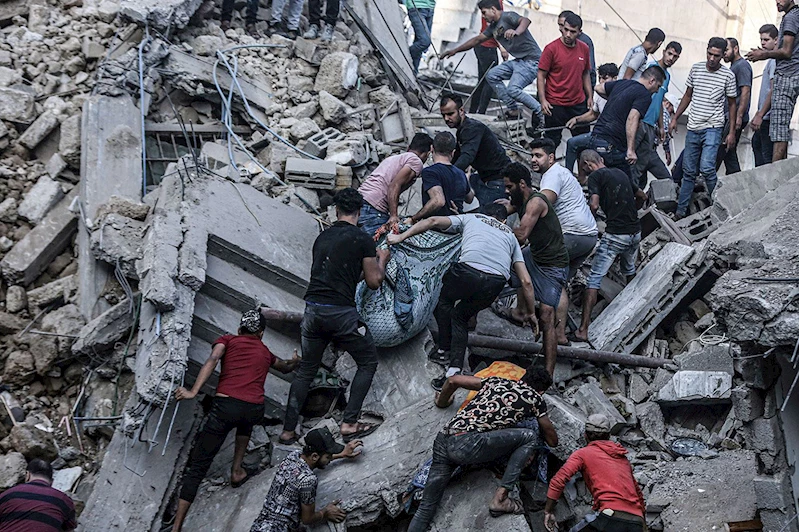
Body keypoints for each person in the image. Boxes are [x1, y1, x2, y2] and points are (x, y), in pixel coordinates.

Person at [172, 309, 301, 532]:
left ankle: (176, 528)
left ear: (240, 328)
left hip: (225, 406)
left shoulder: (227, 340)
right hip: (253, 409)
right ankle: (237, 470)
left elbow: (213, 358)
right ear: (261, 333)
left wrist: (193, 391)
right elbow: (285, 366)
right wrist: (295, 361)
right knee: (246, 421)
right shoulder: (265, 351)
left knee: (198, 467)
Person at [280, 189, 390, 446]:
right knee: (367, 362)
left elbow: (341, 276)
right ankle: (349, 422)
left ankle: (287, 431)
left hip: (313, 311)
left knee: (306, 370)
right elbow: (374, 282)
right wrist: (381, 261)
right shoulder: (363, 239)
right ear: (360, 212)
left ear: (336, 210)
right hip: (341, 314)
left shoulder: (322, 237)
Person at [387, 203, 537, 389]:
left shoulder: (472, 218)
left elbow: (432, 221)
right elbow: (526, 281)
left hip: (467, 271)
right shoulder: (511, 236)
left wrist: (400, 237)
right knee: (460, 317)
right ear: (504, 221)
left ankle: (443, 350)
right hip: (495, 282)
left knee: (443, 300)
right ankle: (454, 371)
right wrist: (531, 313)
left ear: (484, 213)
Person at [408, 366, 558, 531]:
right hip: (468, 444)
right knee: (529, 436)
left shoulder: (497, 382)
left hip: (443, 439)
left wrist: (442, 402)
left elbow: (452, 380)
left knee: (426, 507)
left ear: (523, 377)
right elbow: (552, 441)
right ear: (541, 391)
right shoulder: (535, 399)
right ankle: (501, 498)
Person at [501, 162, 570, 375]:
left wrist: (500, 226)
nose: (507, 191)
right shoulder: (520, 200)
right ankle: (521, 312)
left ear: (522, 184)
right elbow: (502, 210)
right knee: (510, 267)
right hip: (536, 255)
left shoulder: (536, 203)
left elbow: (522, 236)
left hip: (552, 265)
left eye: (510, 187)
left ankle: (548, 373)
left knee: (546, 316)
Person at [528, 138, 597, 345]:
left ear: (551, 157)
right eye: (532, 155)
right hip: (588, 237)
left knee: (526, 261)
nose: (533, 160)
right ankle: (559, 334)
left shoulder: (552, 175)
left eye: (538, 155)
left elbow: (543, 202)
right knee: (558, 282)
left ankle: (522, 312)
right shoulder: (563, 173)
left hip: (573, 234)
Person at [440, 0, 545, 130]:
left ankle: (541, 112)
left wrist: (516, 31)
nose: (483, 17)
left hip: (532, 61)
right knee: (491, 75)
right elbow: (477, 40)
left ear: (493, 10)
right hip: (519, 61)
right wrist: (455, 50)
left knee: (513, 89)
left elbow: (525, 21)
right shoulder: (492, 28)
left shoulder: (508, 16)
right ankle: (513, 109)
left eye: (484, 13)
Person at [573, 150, 643, 343]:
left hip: (616, 235)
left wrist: (587, 223)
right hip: (635, 233)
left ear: (588, 165)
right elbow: (642, 196)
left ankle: (583, 330)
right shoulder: (620, 172)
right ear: (601, 160)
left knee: (594, 280)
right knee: (629, 270)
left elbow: (594, 205)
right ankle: (635, 313)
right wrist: (630, 212)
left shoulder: (595, 177)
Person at [669, 37, 737, 220]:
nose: (712, 59)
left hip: (713, 127)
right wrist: (675, 118)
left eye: (716, 56)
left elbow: (732, 104)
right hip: (693, 126)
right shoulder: (696, 69)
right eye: (710, 54)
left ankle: (719, 206)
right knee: (688, 172)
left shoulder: (728, 76)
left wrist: (731, 131)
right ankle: (680, 212)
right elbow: (687, 95)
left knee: (707, 168)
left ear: (723, 56)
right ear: (706, 50)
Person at [544, 414, 646, 532]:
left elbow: (559, 480)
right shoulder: (623, 459)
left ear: (585, 435)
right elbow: (638, 494)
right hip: (637, 522)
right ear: (609, 435)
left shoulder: (583, 454)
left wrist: (548, 511)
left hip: (610, 516)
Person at [250, 428, 362, 531]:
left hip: (261, 524)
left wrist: (341, 455)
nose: (329, 459)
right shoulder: (308, 480)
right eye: (328, 456)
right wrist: (325, 512)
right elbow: (307, 519)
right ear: (314, 456)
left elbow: (318, 460)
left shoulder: (293, 456)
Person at [745, 0, 799, 162]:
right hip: (790, 74)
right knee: (778, 130)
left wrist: (763, 54)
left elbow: (787, 51)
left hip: (787, 75)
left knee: (779, 130)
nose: (777, 1)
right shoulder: (792, 16)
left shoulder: (791, 17)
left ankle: (775, 172)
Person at [590, 65, 666, 177]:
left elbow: (598, 88)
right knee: (625, 182)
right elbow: (632, 118)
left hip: (595, 138)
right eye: (658, 86)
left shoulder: (622, 83)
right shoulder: (644, 95)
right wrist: (630, 150)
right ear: (652, 81)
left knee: (601, 181)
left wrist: (616, 98)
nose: (657, 91)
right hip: (612, 144)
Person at [440, 92, 511, 206]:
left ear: (461, 111)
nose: (446, 119)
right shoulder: (463, 129)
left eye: (450, 114)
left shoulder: (472, 129)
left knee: (486, 215)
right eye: (443, 115)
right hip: (484, 177)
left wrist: (447, 175)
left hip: (497, 180)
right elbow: (457, 156)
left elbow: (467, 156)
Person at [357, 133, 432, 235]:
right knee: (381, 243)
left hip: (361, 201)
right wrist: (393, 215)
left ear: (409, 147)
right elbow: (394, 185)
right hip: (373, 207)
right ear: (426, 154)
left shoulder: (395, 158)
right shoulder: (416, 161)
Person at [537, 12, 593, 145]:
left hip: (577, 103)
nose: (568, 34)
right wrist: (543, 100)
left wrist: (590, 96)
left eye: (572, 31)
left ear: (579, 32)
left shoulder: (584, 48)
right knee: (551, 142)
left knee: (583, 142)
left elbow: (585, 73)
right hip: (555, 104)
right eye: (566, 29)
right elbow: (541, 75)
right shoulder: (551, 48)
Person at [631, 41, 681, 189]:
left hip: (651, 126)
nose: (671, 58)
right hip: (640, 120)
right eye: (669, 54)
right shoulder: (651, 68)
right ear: (663, 51)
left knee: (640, 166)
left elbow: (659, 101)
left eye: (675, 56)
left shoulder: (667, 76)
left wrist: (661, 126)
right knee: (631, 162)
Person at [406, 131, 473, 223]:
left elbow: (438, 201)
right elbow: (470, 199)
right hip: (457, 225)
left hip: (436, 226)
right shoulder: (460, 174)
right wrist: (466, 179)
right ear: (453, 152)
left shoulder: (430, 172)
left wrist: (414, 218)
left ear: (432, 148)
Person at [564, 62, 619, 173]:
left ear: (615, 78)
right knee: (572, 143)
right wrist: (577, 119)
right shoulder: (599, 93)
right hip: (598, 134)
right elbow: (593, 114)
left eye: (605, 78)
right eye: (600, 78)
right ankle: (568, 175)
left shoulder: (621, 93)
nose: (601, 81)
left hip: (613, 136)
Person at [0, 459, 77, 532]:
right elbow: (69, 528)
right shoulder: (64, 500)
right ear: (52, 481)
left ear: (27, 475)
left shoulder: (8, 494)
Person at [715, 37, 753, 174]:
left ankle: (708, 178)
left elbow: (745, 91)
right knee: (729, 152)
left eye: (726, 50)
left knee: (721, 148)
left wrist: (739, 116)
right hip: (729, 115)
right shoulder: (734, 66)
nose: (724, 53)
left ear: (735, 49)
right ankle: (735, 178)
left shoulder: (742, 66)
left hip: (734, 116)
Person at [470, 0, 507, 115]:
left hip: (483, 46)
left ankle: (473, 111)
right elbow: (493, 25)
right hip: (488, 47)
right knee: (490, 80)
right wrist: (502, 47)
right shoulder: (495, 3)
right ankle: (481, 112)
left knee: (482, 81)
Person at [750, 24, 779, 167]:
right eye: (761, 39)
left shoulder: (774, 61)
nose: (762, 43)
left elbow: (773, 90)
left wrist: (761, 115)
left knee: (766, 158)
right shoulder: (771, 60)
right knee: (756, 145)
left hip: (768, 118)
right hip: (764, 116)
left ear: (776, 40)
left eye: (766, 40)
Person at [558, 10, 597, 87]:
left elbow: (589, 69)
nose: (560, 29)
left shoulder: (584, 42)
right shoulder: (559, 43)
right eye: (560, 25)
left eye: (562, 25)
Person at [406, 0, 436, 73]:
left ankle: (414, 72)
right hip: (417, 6)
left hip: (430, 7)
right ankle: (404, 55)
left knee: (420, 44)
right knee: (424, 42)